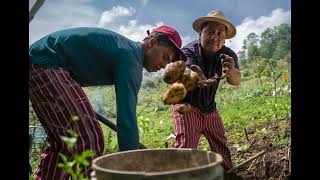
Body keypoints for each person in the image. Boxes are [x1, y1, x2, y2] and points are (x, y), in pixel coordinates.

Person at [29, 25, 186, 179]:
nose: (165, 65)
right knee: (89, 139)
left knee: (65, 144)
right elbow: (126, 119)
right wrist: (133, 163)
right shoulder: (131, 59)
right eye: (165, 57)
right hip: (45, 63)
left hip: (40, 63)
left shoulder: (127, 52)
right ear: (152, 43)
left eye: (169, 62)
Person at [172, 10, 241, 172]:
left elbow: (236, 81)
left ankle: (227, 175)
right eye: (210, 32)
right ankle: (180, 175)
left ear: (225, 39)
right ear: (200, 33)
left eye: (220, 34)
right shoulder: (188, 51)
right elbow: (185, 71)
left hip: (210, 108)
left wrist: (231, 71)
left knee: (221, 147)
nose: (214, 37)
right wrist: (196, 77)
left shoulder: (228, 55)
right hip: (186, 106)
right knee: (186, 149)